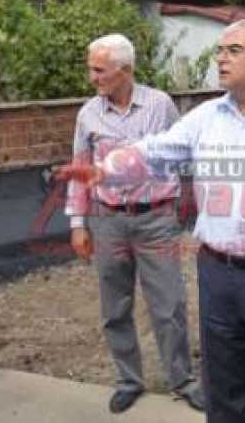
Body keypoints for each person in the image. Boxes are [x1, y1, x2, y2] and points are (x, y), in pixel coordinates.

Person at [62, 19, 245, 423]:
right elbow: (156, 151)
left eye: (233, 50)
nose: (221, 58)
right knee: (226, 389)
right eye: (220, 50)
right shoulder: (206, 118)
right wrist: (105, 168)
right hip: (218, 274)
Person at [64, 34, 204, 415]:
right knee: (115, 307)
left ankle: (183, 380)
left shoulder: (160, 105)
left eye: (99, 69)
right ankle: (129, 380)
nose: (91, 77)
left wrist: (183, 204)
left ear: (125, 70)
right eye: (90, 68)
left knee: (169, 305)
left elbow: (182, 156)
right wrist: (78, 223)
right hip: (109, 221)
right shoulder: (88, 114)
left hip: (157, 219)